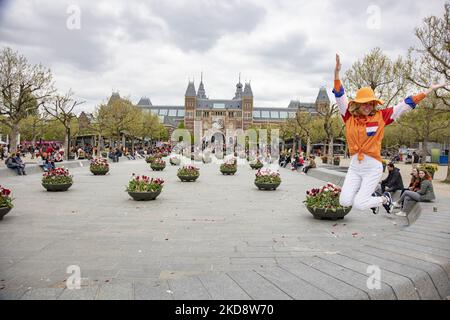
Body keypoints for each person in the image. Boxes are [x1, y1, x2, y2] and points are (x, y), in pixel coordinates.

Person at [333, 53, 446, 213]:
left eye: (371, 103)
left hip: (372, 166)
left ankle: (385, 199)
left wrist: (427, 91)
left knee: (359, 204)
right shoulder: (348, 117)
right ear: (357, 105)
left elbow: (405, 104)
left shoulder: (382, 116)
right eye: (364, 104)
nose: (368, 106)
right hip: (354, 166)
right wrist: (336, 73)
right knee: (344, 202)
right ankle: (372, 198)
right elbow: (339, 94)